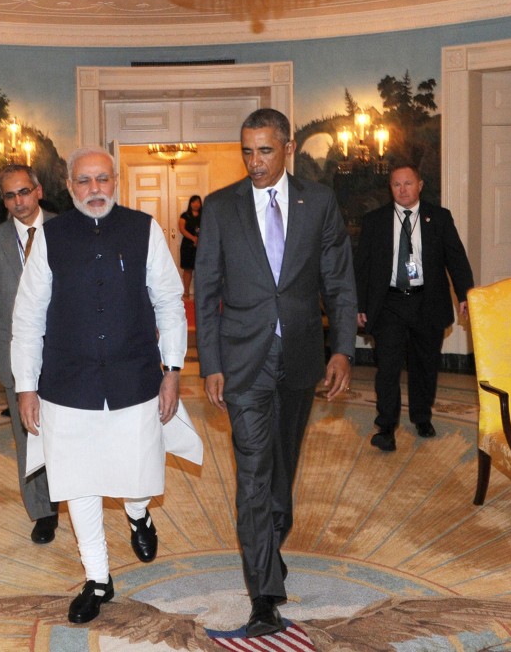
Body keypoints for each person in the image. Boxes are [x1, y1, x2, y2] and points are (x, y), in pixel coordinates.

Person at [194, 108, 357, 637]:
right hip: (242, 363)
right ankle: (263, 593)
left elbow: (338, 281)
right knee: (254, 474)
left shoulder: (320, 203)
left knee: (282, 472)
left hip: (302, 357)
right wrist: (211, 363)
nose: (254, 162)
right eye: (246, 151)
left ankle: (271, 541)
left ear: (287, 148)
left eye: (264, 150)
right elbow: (207, 292)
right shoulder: (220, 208)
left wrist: (343, 351)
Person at [12, 147, 187, 625]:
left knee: (136, 469)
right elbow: (27, 317)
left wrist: (172, 369)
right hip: (68, 383)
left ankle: (138, 513)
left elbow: (170, 302)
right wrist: (26, 385)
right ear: (69, 188)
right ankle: (99, 579)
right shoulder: (50, 238)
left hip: (135, 377)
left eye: (103, 180)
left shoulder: (143, 229)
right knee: (78, 482)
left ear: (116, 182)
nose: (95, 190)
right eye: (84, 182)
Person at [353, 163, 474, 452]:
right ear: (390, 188)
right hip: (389, 304)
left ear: (419, 185)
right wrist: (358, 304)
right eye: (396, 184)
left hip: (427, 301)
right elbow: (362, 267)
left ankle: (422, 416)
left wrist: (466, 295)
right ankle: (386, 427)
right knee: (388, 367)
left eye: (408, 184)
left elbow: (456, 258)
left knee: (425, 365)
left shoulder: (439, 218)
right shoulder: (375, 221)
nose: (402, 189)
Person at [0, 164, 58, 544]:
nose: (18, 202)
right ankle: (43, 512)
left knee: (67, 432)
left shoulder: (64, 230)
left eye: (24, 192)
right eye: (10, 195)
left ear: (38, 191)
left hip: (63, 352)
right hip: (14, 354)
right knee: (28, 435)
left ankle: (74, 494)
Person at [178, 195, 202, 298]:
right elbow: (181, 229)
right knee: (188, 269)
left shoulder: (204, 215)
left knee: (201, 269)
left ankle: (201, 293)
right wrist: (193, 238)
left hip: (202, 246)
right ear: (190, 203)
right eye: (194, 202)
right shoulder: (185, 215)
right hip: (188, 246)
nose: (196, 204)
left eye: (198, 202)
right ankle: (186, 291)